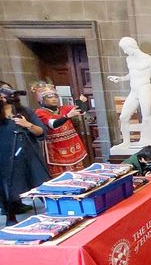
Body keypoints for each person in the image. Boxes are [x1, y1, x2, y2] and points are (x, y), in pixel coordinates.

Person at [0, 83, 49, 225]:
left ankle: (53, 210)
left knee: (40, 182)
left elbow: (42, 132)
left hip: (30, 154)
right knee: (10, 187)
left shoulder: (25, 111)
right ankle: (11, 216)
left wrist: (28, 125)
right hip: (6, 158)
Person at [108, 37, 151, 149]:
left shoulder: (150, 60)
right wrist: (120, 78)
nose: (124, 52)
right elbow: (132, 74)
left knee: (147, 117)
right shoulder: (129, 59)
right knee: (123, 117)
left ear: (131, 46)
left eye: (125, 48)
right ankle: (126, 142)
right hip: (134, 91)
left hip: (145, 89)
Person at [32, 81, 88, 178]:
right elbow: (53, 124)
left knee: (79, 175)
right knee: (62, 177)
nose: (54, 99)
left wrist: (81, 102)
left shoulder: (63, 109)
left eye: (55, 97)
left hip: (72, 145)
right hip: (56, 148)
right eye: (49, 97)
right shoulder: (40, 112)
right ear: (42, 100)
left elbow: (80, 110)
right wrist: (67, 116)